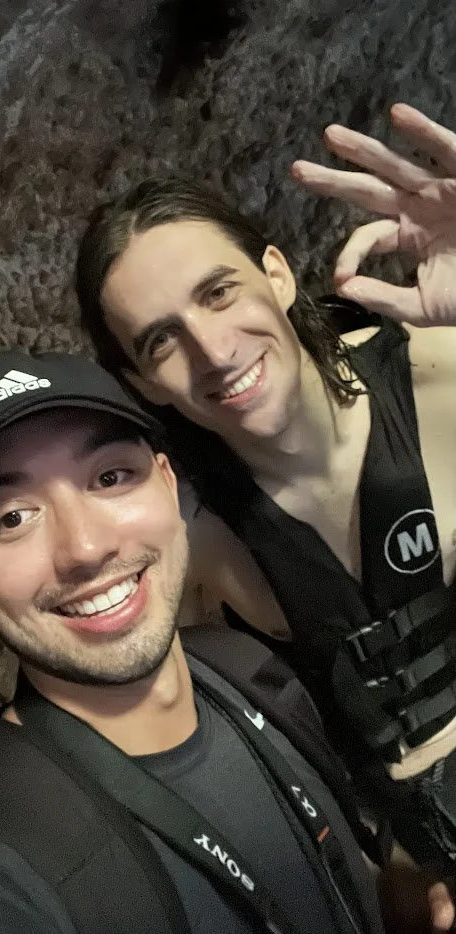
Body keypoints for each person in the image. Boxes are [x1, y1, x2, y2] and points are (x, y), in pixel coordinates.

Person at [75, 102, 456, 868]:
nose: (213, 351)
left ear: (275, 274)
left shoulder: (439, 378)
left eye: (218, 293)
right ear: (141, 382)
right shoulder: (190, 545)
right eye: (161, 339)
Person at [0, 347, 423, 934]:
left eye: (111, 477)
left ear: (168, 486)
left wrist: (396, 895)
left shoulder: (248, 667)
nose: (86, 548)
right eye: (12, 517)